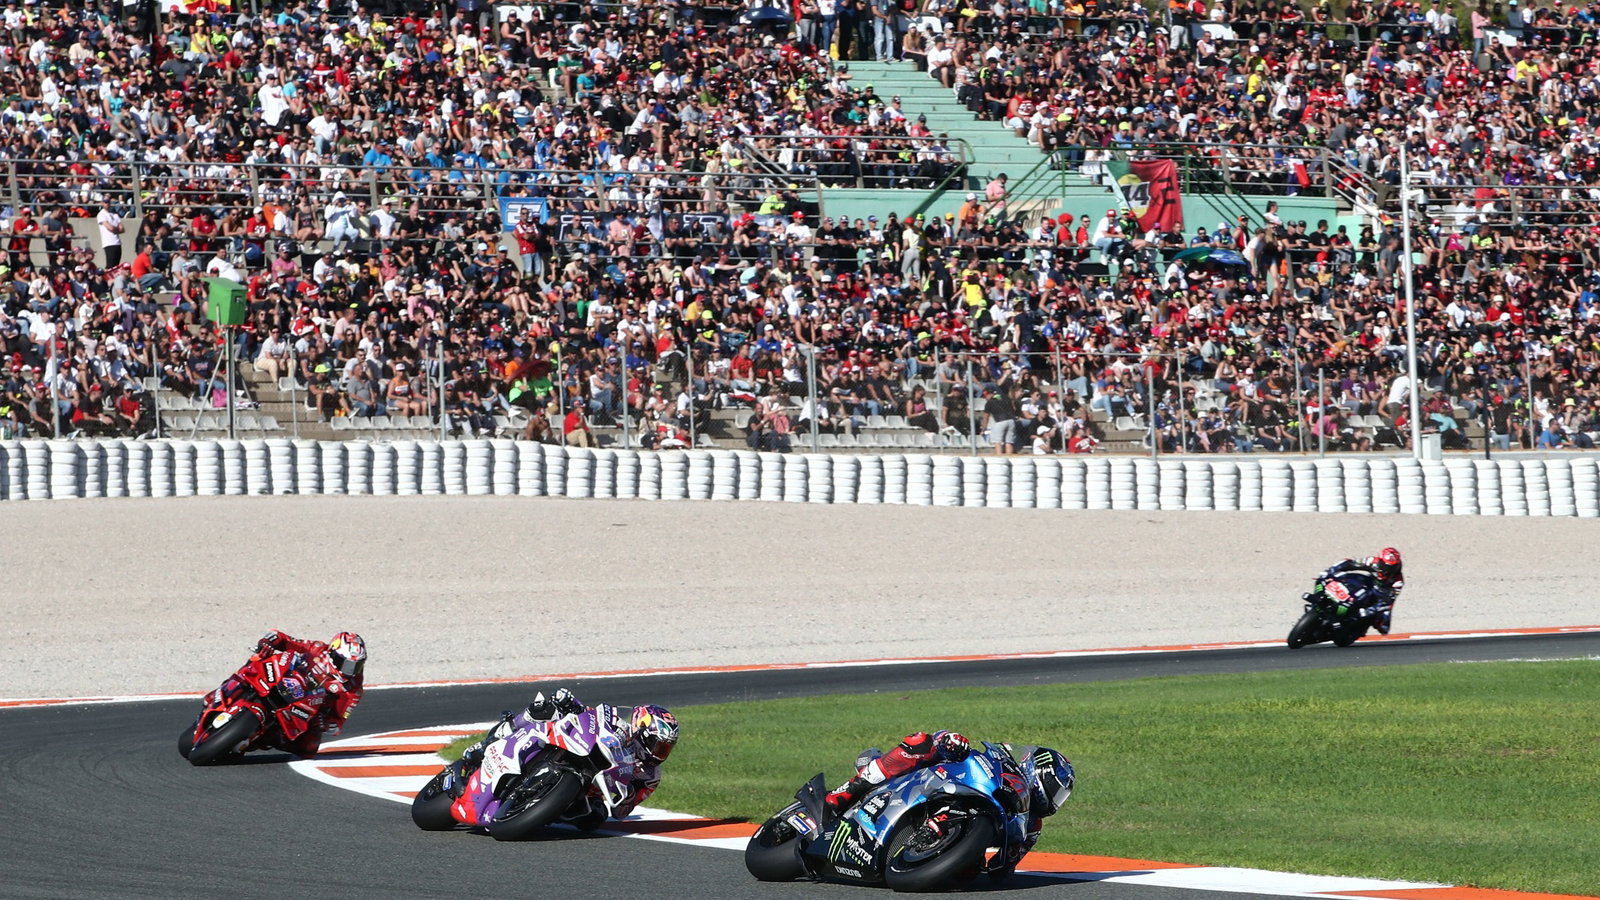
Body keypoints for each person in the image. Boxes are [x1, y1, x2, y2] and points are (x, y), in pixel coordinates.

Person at [824, 731, 1074, 869]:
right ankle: (846, 791)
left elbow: (1002, 870)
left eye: (1059, 796)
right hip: (925, 781)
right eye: (1055, 789)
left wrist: (1002, 858)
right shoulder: (1001, 767)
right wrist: (951, 741)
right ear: (1037, 772)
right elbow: (946, 740)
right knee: (920, 742)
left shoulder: (1032, 825)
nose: (1054, 799)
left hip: (947, 858)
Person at [450, 688, 679, 827]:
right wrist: (572, 704)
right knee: (545, 710)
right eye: (657, 745)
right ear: (641, 729)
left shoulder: (650, 776)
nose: (659, 753)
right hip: (578, 751)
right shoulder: (619, 725)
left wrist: (625, 790)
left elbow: (622, 811)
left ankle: (536, 809)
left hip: (588, 792)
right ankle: (491, 742)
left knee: (594, 818)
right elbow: (592, 716)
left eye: (665, 749)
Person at [247, 630, 367, 756]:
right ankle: (236, 683)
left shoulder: (353, 688)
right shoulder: (317, 649)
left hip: (305, 712)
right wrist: (268, 642)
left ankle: (263, 739)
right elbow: (285, 640)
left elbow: (338, 723)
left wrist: (326, 723)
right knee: (259, 658)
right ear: (333, 653)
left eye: (357, 665)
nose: (351, 671)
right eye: (346, 664)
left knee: (309, 747)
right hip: (284, 682)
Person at [1311, 547, 1404, 635]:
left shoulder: (1398, 582)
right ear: (1380, 561)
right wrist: (1331, 570)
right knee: (1340, 579)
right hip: (1368, 582)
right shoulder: (1372, 561)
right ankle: (1326, 599)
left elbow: (1389, 601)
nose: (1388, 569)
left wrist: (1370, 610)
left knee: (1384, 627)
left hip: (1380, 595)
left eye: (1393, 566)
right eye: (1386, 565)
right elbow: (1349, 563)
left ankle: (1356, 625)